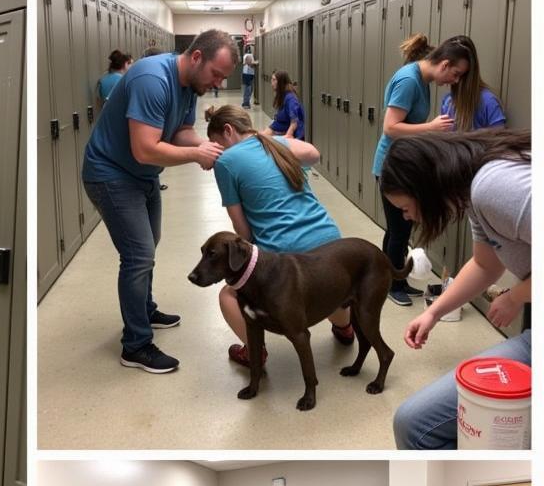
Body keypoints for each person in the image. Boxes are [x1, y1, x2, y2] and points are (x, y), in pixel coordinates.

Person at [81, 29, 235, 374]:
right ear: (196, 57)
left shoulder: (188, 87)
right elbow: (145, 148)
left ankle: (145, 309)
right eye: (216, 74)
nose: (216, 84)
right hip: (111, 174)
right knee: (138, 255)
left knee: (149, 244)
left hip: (142, 176)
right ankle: (135, 345)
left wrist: (212, 149)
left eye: (223, 79)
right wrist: (196, 154)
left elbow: (179, 131)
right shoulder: (153, 79)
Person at [380, 128, 530, 449]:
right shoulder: (475, 195)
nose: (408, 218)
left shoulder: (492, 186)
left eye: (406, 208)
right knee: (412, 424)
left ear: (423, 187)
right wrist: (434, 312)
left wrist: (516, 296)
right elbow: (485, 265)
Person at [205, 105, 351, 367]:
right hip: (331, 240)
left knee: (228, 294)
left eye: (217, 144)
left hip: (285, 252)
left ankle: (255, 352)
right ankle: (345, 328)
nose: (219, 151)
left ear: (228, 131)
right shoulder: (277, 143)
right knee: (329, 287)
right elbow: (313, 153)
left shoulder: (226, 162)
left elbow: (243, 231)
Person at [372, 34, 474, 307]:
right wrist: (431, 127)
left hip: (402, 164)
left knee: (396, 230)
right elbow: (390, 127)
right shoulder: (409, 80)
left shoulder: (421, 78)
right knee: (400, 231)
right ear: (443, 64)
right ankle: (393, 284)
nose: (454, 81)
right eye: (455, 74)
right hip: (391, 167)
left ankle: (392, 278)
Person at [261, 70, 305, 140]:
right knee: (259, 136)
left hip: (289, 131)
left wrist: (287, 136)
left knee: (262, 139)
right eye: (271, 79)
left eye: (274, 80)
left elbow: (294, 122)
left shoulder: (290, 98)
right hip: (279, 127)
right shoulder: (282, 95)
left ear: (281, 82)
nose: (271, 82)